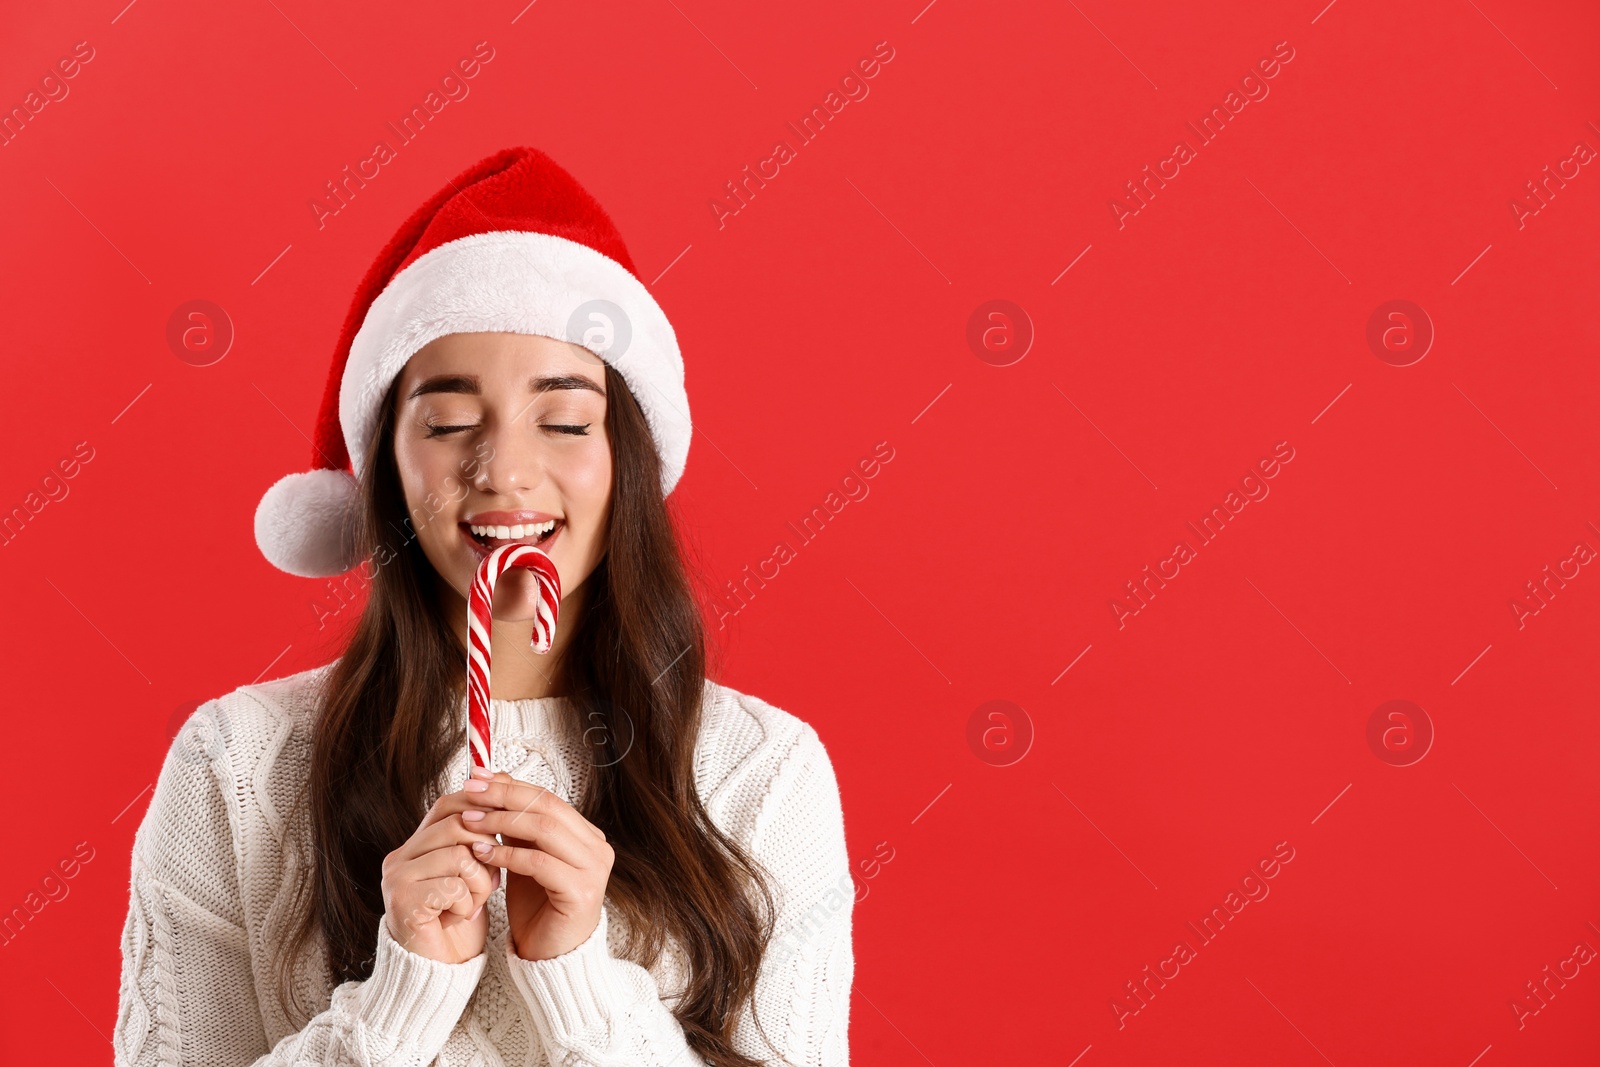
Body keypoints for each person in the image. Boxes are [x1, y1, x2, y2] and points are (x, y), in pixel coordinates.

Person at [113, 147, 855, 1066]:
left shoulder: (765, 774)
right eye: (450, 422)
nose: (502, 470)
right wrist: (400, 1000)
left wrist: (578, 984)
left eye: (565, 419)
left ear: (628, 454)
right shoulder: (237, 766)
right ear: (386, 459)